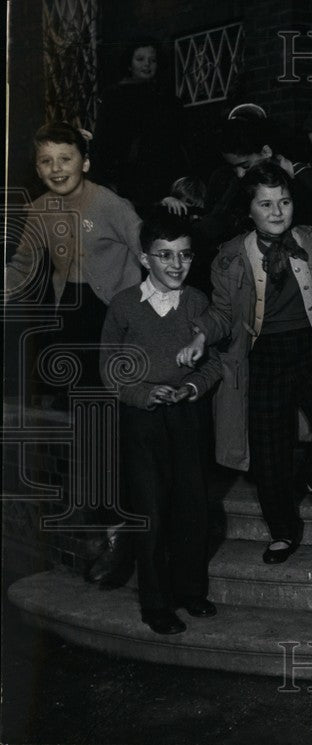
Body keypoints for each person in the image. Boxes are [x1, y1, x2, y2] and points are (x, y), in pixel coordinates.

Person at [176, 161, 312, 564]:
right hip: (262, 356)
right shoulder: (231, 258)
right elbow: (223, 315)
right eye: (266, 204)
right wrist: (200, 335)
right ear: (250, 211)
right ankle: (282, 530)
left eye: (284, 201)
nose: (278, 211)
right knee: (270, 451)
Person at [5, 121, 144, 586]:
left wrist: (156, 305)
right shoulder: (42, 209)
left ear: (85, 162)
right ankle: (96, 504)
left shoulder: (108, 203)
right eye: (45, 161)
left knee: (113, 412)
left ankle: (120, 518)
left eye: (65, 158)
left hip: (114, 314)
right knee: (86, 414)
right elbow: (23, 263)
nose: (55, 168)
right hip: (73, 314)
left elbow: (148, 248)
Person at [99, 209, 222, 635]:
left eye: (185, 256)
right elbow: (110, 367)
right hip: (142, 420)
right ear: (144, 259)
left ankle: (190, 591)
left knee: (193, 507)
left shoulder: (197, 303)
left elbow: (214, 364)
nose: (176, 265)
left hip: (187, 416)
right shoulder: (123, 306)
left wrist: (192, 389)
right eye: (164, 255)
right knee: (150, 511)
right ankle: (155, 603)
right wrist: (143, 393)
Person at [91, 38, 188, 208]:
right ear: (129, 64)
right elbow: (106, 140)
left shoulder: (167, 98)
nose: (147, 64)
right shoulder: (115, 96)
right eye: (140, 59)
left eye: (153, 60)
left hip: (163, 169)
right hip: (130, 173)